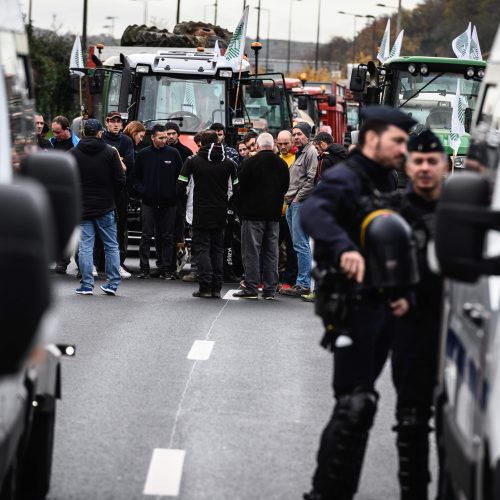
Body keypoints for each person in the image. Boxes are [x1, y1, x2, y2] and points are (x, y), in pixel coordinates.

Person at [300, 105, 417, 500]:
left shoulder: (386, 177)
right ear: (372, 139)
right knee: (354, 404)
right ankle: (324, 493)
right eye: (397, 141)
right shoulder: (345, 177)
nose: (404, 148)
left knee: (367, 406)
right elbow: (314, 213)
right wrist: (343, 247)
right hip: (353, 307)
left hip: (385, 305)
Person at [391, 129, 448, 500]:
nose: (425, 168)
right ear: (408, 165)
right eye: (419, 161)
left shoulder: (462, 211)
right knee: (411, 421)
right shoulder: (393, 209)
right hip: (410, 328)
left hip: (455, 327)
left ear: (444, 166)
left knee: (452, 425)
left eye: (432, 161)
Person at [177, 130, 239, 298]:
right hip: (220, 213)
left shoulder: (192, 161)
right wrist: (229, 209)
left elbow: (180, 186)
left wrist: (185, 207)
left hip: (198, 212)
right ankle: (216, 288)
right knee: (217, 250)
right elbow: (236, 189)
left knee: (202, 249)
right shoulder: (229, 163)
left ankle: (205, 286)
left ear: (201, 144)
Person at [70, 119, 125, 296]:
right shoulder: (110, 152)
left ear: (84, 133)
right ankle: (112, 283)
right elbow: (120, 180)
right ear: (100, 132)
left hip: (83, 207)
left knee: (85, 246)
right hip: (106, 206)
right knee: (111, 246)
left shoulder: (73, 153)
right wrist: (111, 196)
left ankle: (86, 284)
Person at [233, 132, 289, 299]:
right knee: (272, 252)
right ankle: (270, 289)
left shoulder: (249, 163)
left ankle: (251, 287)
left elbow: (239, 187)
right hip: (273, 215)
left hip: (252, 214)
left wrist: (240, 206)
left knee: (251, 251)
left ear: (257, 146)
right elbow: (285, 187)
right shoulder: (281, 164)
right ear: (273, 146)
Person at [133, 124, 183, 279]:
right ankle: (144, 268)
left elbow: (180, 177)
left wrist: (175, 194)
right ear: (153, 138)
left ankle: (167, 268)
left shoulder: (173, 154)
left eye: (166, 137)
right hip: (149, 202)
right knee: (146, 235)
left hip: (169, 203)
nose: (164, 140)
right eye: (161, 138)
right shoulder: (143, 154)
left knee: (167, 236)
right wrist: (144, 192)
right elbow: (135, 178)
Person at [280, 122, 318, 297]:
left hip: (300, 203)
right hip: (292, 202)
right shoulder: (301, 152)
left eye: (299, 134)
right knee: (298, 244)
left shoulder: (310, 152)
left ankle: (303, 284)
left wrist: (298, 197)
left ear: (307, 135)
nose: (295, 137)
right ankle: (301, 282)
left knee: (301, 244)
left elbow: (311, 179)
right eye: (294, 134)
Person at [102, 111, 135, 278]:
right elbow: (100, 164)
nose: (116, 124)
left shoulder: (127, 141)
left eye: (118, 122)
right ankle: (99, 262)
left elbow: (129, 163)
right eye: (112, 121)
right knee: (99, 226)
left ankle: (119, 263)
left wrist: (113, 158)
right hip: (103, 189)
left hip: (121, 190)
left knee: (120, 227)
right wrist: (117, 159)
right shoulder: (101, 139)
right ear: (107, 122)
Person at [276, 130, 298, 290]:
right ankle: (272, 277)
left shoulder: (297, 159)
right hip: (277, 212)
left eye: (286, 143)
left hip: (292, 210)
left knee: (292, 248)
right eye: (280, 143)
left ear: (292, 143)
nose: (283, 147)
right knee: (272, 247)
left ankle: (289, 281)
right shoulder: (277, 159)